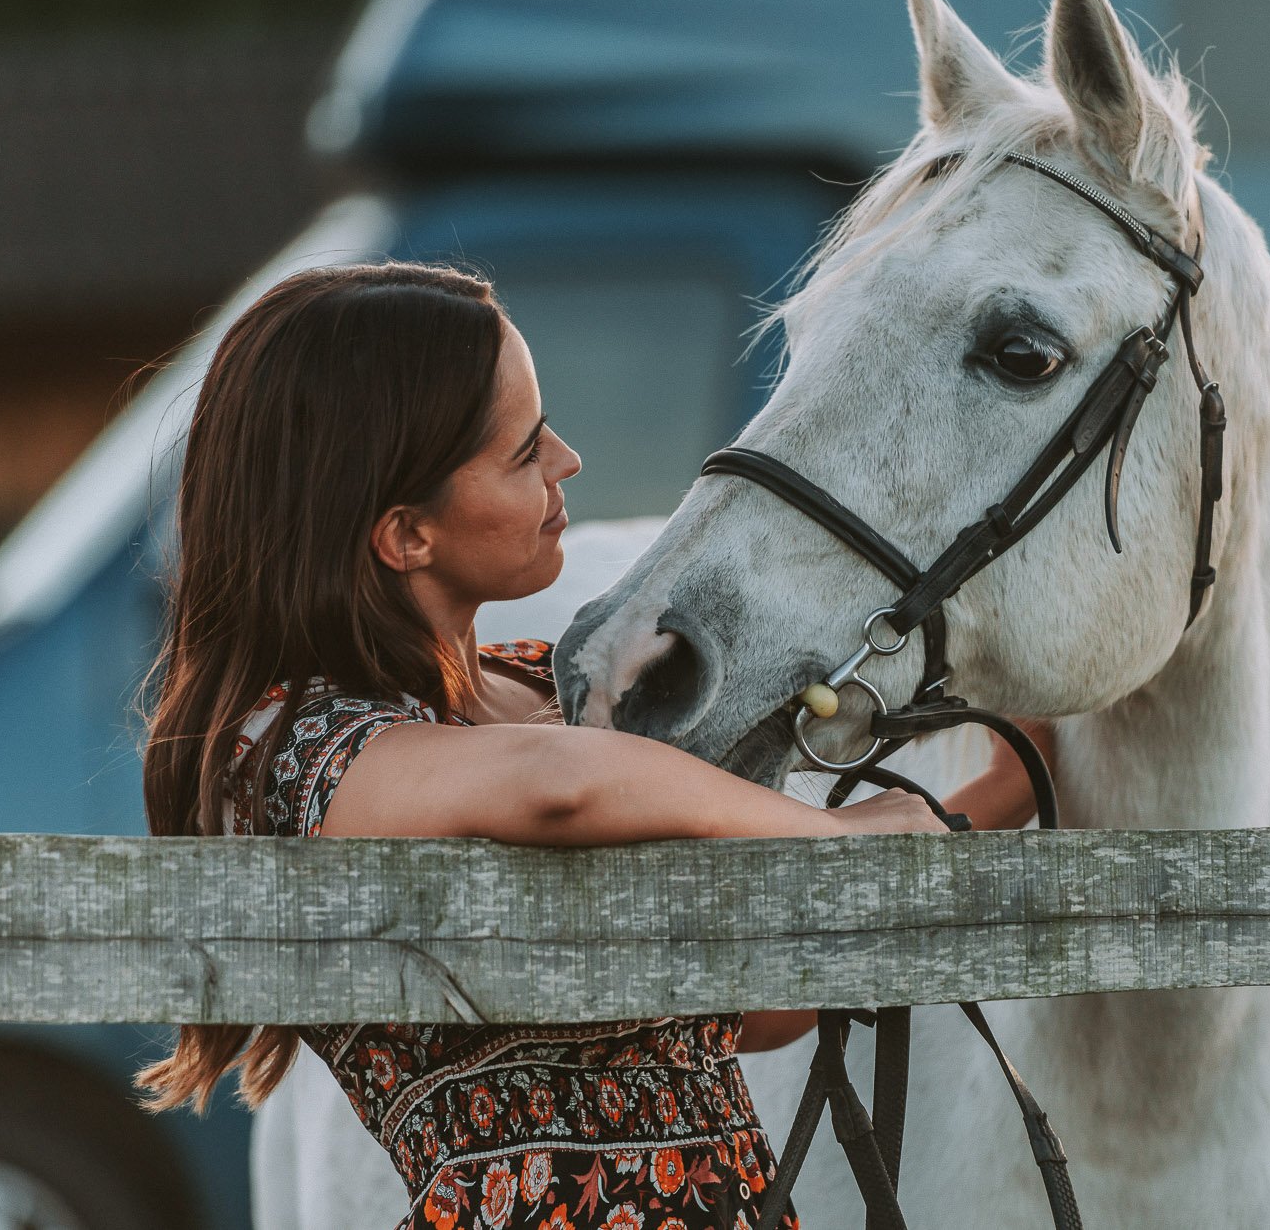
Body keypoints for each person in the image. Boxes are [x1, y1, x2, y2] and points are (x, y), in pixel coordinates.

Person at [132, 262, 1039, 1230]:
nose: (566, 461)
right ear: (405, 534)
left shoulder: (546, 691)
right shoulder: (285, 749)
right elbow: (554, 786)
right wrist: (835, 835)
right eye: (523, 453)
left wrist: (996, 789)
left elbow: (749, 1015)